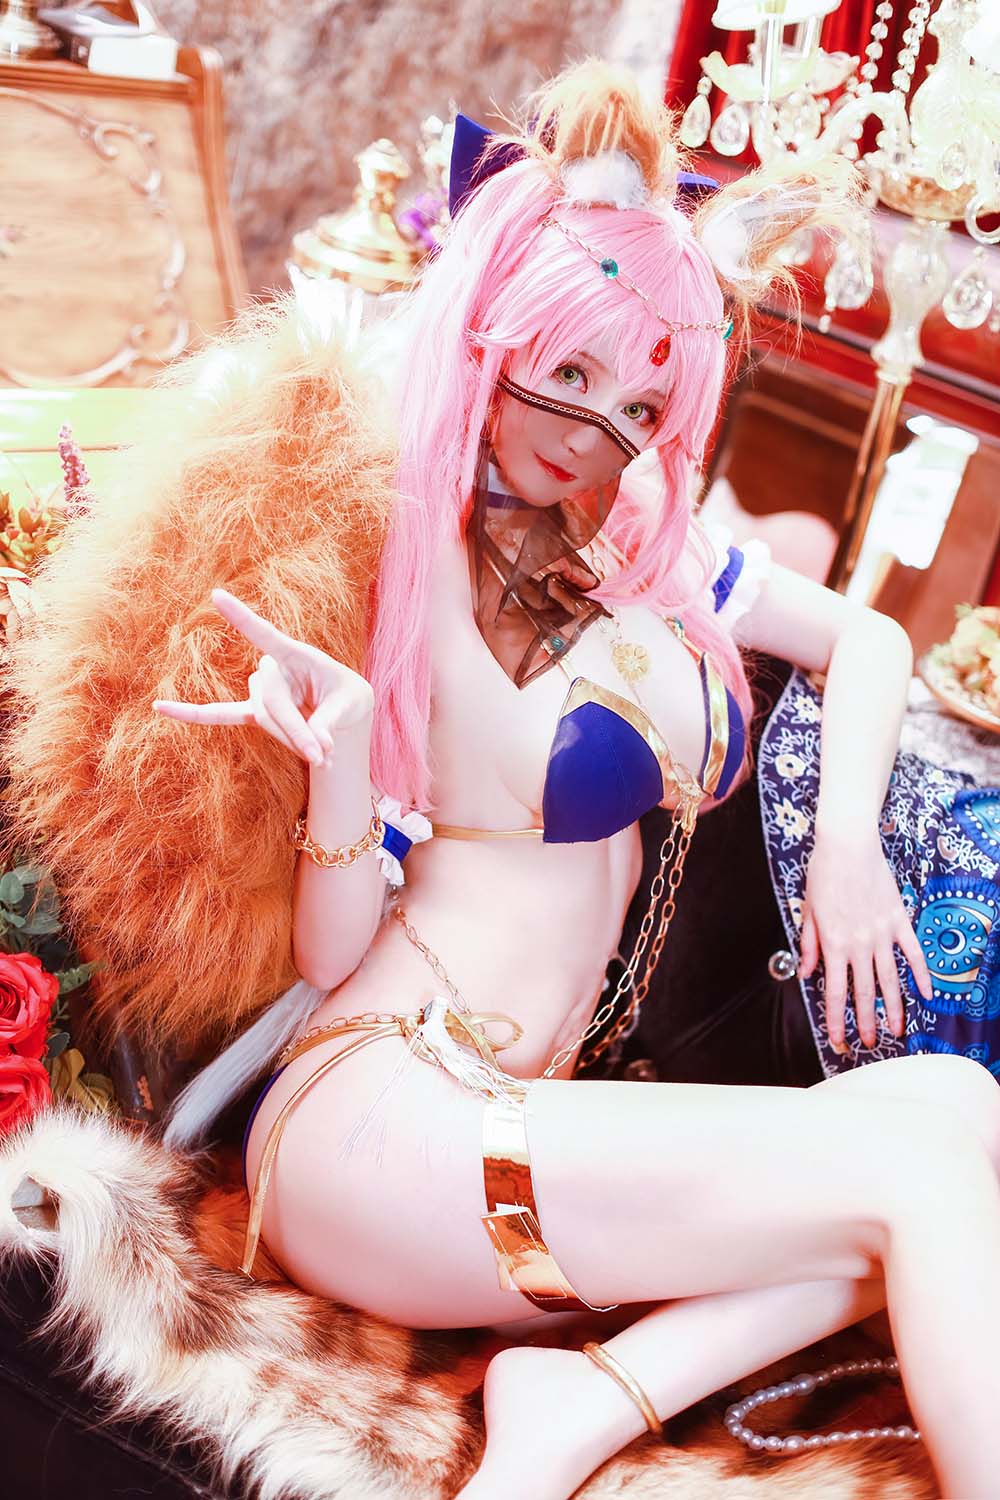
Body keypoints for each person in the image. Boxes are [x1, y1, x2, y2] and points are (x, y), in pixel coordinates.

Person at [6, 59, 1000, 1500]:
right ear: (493, 334)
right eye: (569, 374)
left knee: (961, 1109)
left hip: (511, 1116)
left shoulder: (646, 545)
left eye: (641, 397)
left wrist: (847, 852)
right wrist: (342, 762)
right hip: (381, 1110)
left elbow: (866, 643)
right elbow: (330, 952)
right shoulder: (403, 540)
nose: (594, 427)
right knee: (916, 1178)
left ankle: (583, 1399)